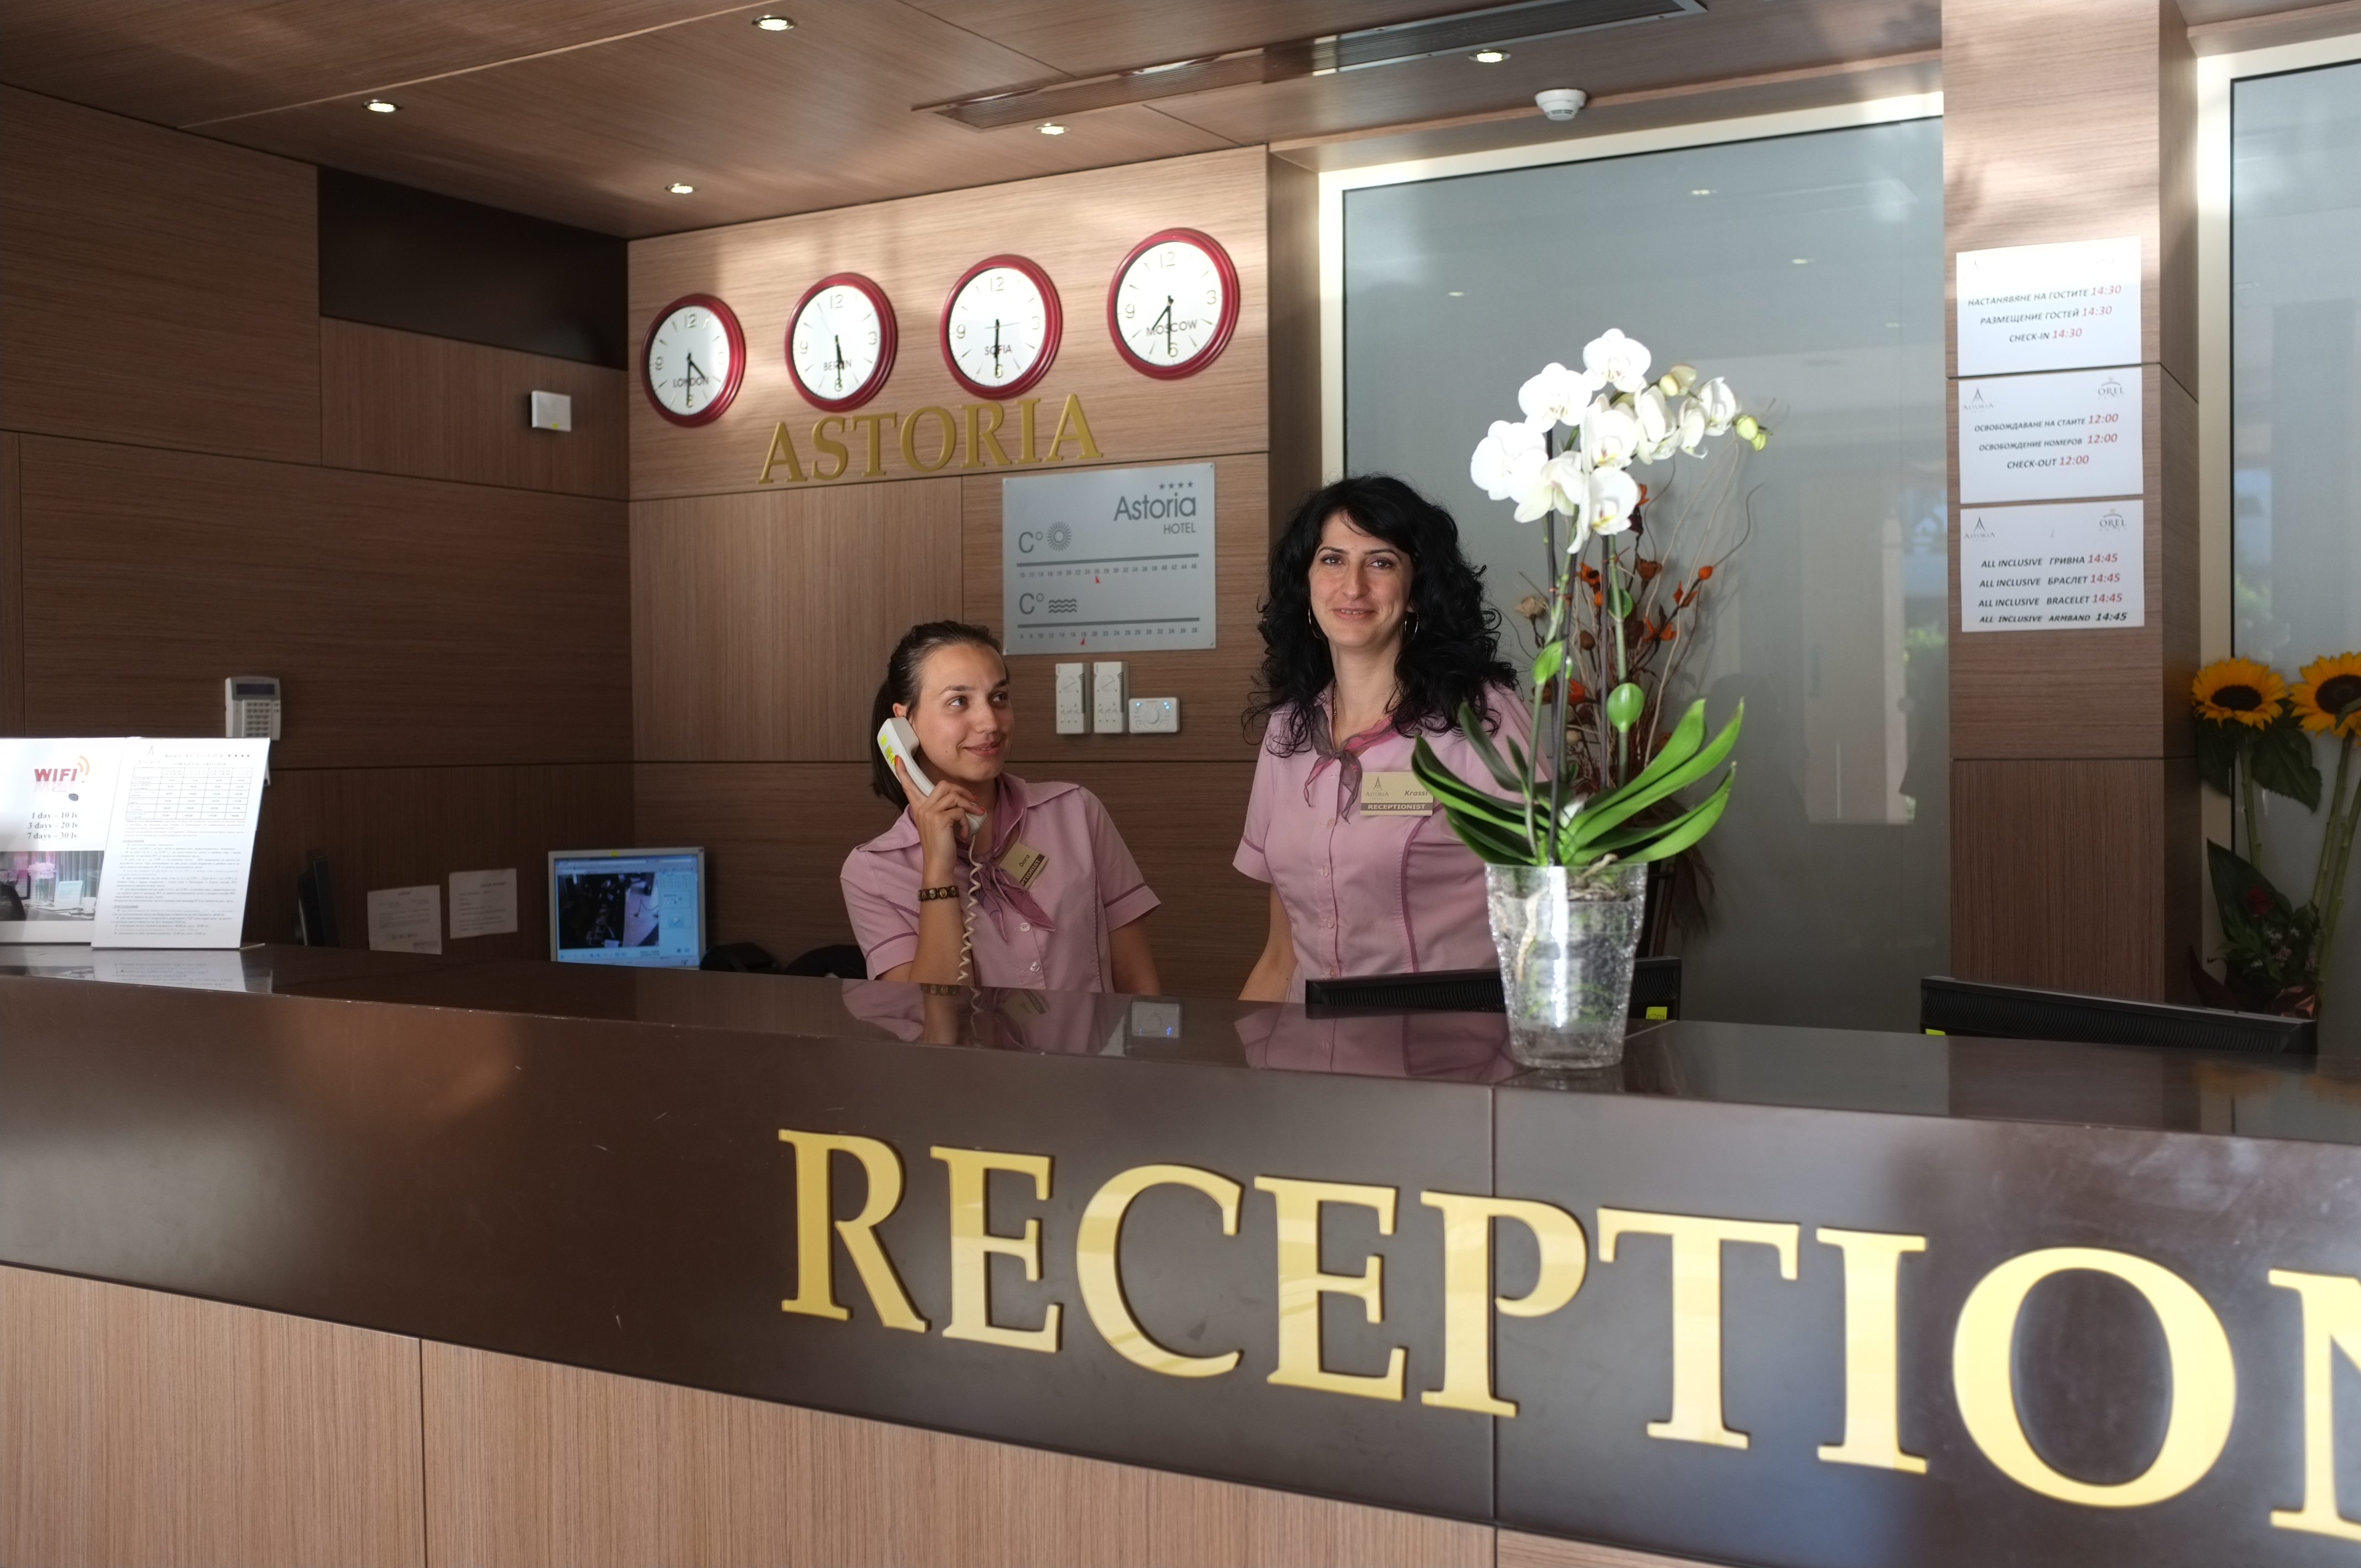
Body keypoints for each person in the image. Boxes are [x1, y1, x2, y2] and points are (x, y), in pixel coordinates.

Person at [1237, 476, 1525, 1003]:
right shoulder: (1287, 732)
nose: (1352, 587)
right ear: (1306, 585)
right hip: (1311, 1046)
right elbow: (1281, 956)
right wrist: (1238, 1053)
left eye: (1381, 563)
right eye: (1332, 560)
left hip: (1449, 1046)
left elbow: (1549, 915)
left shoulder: (1480, 720)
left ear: (1416, 592)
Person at [842, 620, 1162, 994]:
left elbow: (1139, 983)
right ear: (903, 723)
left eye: (999, 697)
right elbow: (930, 1015)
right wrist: (939, 872)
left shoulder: (1077, 812)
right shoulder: (872, 872)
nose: (990, 722)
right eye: (959, 702)